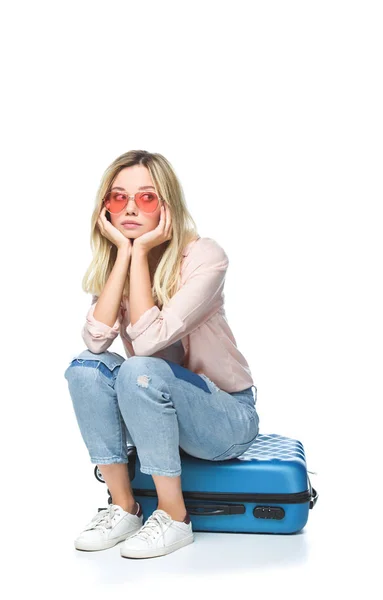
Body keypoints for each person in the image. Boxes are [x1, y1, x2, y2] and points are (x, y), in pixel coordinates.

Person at [64, 149, 259, 559]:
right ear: (105, 208)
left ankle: (174, 517)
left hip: (224, 418)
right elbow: (96, 341)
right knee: (86, 368)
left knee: (140, 369)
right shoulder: (118, 262)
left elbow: (150, 341)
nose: (131, 207)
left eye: (146, 197)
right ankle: (123, 506)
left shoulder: (205, 256)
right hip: (153, 411)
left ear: (167, 205)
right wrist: (125, 254)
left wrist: (138, 251)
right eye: (118, 198)